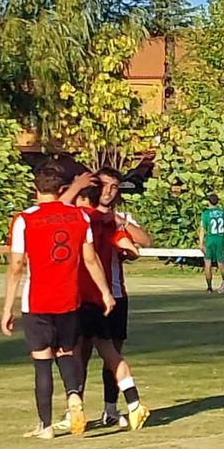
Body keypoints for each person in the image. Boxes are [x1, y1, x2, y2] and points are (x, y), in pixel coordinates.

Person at [1, 160, 117, 439]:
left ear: (35, 189)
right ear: (62, 189)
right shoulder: (79, 217)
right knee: (66, 353)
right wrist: (104, 292)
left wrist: (7, 308)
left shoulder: (24, 219)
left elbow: (16, 266)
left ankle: (46, 425)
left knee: (42, 361)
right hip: (69, 300)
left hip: (37, 301)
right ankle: (74, 395)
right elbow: (90, 259)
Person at [70, 170, 152, 432]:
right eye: (104, 185)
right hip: (86, 295)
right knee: (82, 354)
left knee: (111, 353)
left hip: (114, 294)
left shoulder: (116, 220)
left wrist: (121, 226)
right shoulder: (83, 217)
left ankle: (110, 409)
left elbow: (142, 242)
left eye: (114, 187)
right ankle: (77, 409)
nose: (108, 191)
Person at [199, 193, 224, 293]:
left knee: (207, 262)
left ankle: (209, 287)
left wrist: (201, 243)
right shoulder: (222, 212)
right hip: (220, 239)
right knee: (220, 262)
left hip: (210, 239)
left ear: (209, 202)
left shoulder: (206, 214)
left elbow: (202, 229)